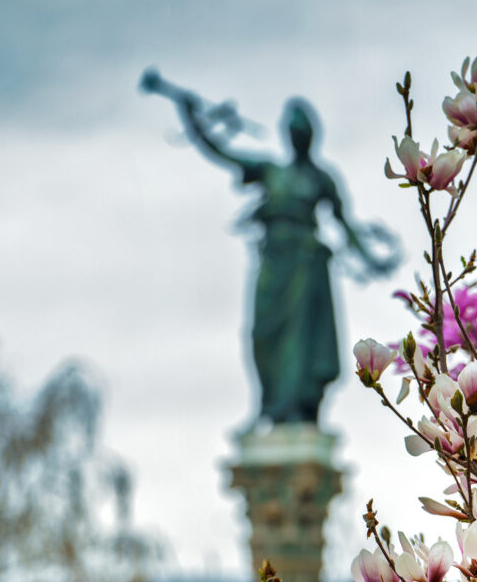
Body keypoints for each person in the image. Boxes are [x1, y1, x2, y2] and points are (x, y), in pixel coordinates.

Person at [142, 71, 395, 425]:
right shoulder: (271, 171)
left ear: (311, 136)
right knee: (263, 334)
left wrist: (373, 260)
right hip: (275, 262)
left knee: (304, 339)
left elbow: (345, 224)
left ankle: (301, 409)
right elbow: (222, 152)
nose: (297, 135)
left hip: (307, 266)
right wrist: (190, 117)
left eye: (303, 129)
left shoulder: (322, 179)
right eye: (293, 129)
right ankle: (271, 405)